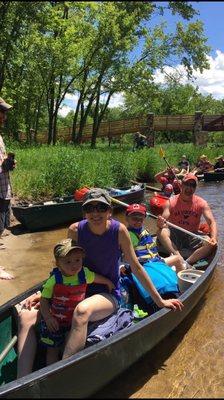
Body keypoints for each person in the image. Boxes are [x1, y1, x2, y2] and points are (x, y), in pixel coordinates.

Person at [17, 188, 183, 375]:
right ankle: (21, 381)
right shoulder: (75, 230)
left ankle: (59, 375)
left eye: (101, 208)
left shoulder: (118, 231)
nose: (95, 213)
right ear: (84, 212)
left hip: (107, 294)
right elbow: (65, 264)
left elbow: (136, 267)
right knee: (26, 316)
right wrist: (45, 293)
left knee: (82, 311)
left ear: (109, 211)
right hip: (75, 291)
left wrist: (160, 301)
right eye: (90, 209)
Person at [39, 239, 114, 366]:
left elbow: (96, 278)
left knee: (70, 344)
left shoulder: (84, 274)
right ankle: (49, 373)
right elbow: (44, 299)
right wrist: (47, 317)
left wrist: (108, 282)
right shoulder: (55, 279)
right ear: (58, 264)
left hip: (73, 321)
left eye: (77, 260)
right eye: (67, 262)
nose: (73, 265)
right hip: (55, 322)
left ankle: (66, 364)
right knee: (52, 351)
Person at [121, 203, 185, 313]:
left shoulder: (142, 230)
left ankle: (181, 287)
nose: (138, 221)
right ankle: (183, 289)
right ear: (126, 218)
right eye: (134, 218)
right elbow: (127, 256)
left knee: (176, 259)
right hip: (146, 264)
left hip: (155, 260)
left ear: (144, 218)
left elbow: (151, 245)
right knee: (178, 259)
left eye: (140, 218)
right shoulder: (130, 235)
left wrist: (161, 226)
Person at [156, 173, 218, 266]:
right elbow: (164, 218)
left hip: (192, 235)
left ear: (195, 188)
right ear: (181, 185)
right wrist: (161, 223)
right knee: (161, 232)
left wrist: (213, 237)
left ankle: (187, 262)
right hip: (174, 234)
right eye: (187, 184)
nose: (189, 188)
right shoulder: (171, 201)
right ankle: (178, 257)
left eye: (192, 185)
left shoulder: (202, 203)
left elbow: (211, 222)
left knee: (210, 243)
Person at [0, 97, 14, 279]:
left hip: (3, 190)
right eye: (1, 111)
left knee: (1, 229)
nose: (4, 116)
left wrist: (9, 164)